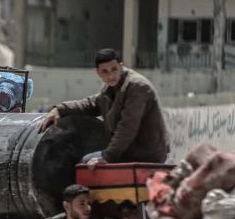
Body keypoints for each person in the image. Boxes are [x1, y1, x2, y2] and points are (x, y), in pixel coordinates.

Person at [38, 48, 168, 166]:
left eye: (114, 69)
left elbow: (128, 127)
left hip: (147, 153)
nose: (110, 76)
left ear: (121, 67)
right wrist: (59, 109)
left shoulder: (137, 87)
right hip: (127, 150)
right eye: (104, 72)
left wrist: (108, 156)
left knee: (86, 163)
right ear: (98, 73)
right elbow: (89, 104)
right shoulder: (110, 88)